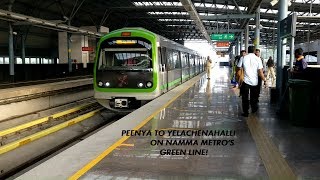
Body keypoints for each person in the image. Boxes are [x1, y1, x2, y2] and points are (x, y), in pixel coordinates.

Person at [237, 46, 267, 117]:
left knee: (245, 97)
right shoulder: (258, 58)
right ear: (254, 51)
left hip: (245, 81)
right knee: (254, 96)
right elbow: (260, 72)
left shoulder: (243, 57)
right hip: (255, 81)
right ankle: (254, 109)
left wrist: (239, 75)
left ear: (248, 51)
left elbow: (238, 67)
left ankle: (246, 112)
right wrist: (264, 80)